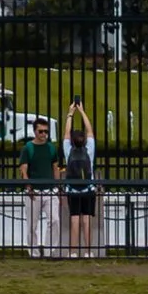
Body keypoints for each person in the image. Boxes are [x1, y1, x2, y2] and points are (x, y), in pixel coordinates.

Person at [60, 99, 100, 257]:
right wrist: (82, 111)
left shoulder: (68, 150)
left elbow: (65, 134)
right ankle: (88, 251)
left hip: (72, 188)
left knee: (75, 220)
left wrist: (71, 113)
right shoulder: (89, 149)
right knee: (87, 220)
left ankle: (73, 251)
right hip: (88, 188)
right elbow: (90, 131)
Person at [20, 112, 58, 255]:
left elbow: (55, 167)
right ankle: (33, 252)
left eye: (46, 131)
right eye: (41, 131)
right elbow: (24, 170)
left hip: (50, 190)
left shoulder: (51, 148)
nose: (43, 134)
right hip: (34, 191)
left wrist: (57, 186)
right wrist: (28, 187)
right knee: (32, 225)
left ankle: (49, 250)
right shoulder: (28, 148)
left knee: (54, 220)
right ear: (34, 131)